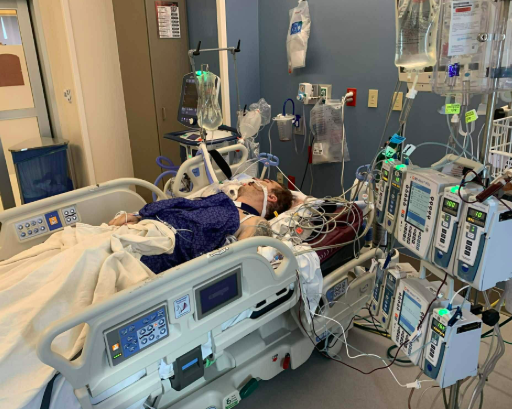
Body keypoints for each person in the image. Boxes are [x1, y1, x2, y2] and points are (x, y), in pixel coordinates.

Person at [109, 179, 293, 273]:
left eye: (264, 181)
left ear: (271, 197)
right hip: (139, 228)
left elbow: (236, 263)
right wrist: (137, 215)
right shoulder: (217, 201)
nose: (253, 180)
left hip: (158, 248)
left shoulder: (254, 222)